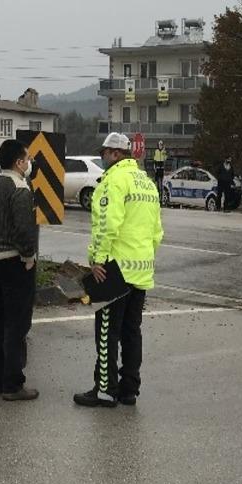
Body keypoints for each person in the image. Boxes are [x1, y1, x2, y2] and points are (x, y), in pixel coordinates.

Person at [74, 132, 165, 408]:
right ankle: (129, 390)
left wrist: (97, 259)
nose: (102, 158)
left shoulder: (113, 181)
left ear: (115, 154)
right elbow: (157, 232)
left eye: (103, 153)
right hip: (141, 270)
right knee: (131, 331)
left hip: (114, 270)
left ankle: (105, 389)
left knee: (107, 332)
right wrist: (145, 257)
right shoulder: (147, 183)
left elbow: (106, 225)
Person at [0, 139, 40, 401]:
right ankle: (12, 384)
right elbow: (23, 229)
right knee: (16, 324)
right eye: (27, 158)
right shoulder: (20, 188)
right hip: (14, 262)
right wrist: (28, 256)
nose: (29, 163)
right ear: (19, 162)